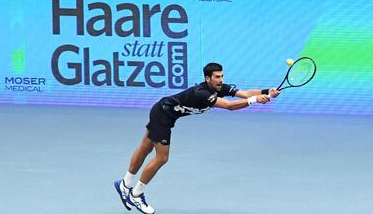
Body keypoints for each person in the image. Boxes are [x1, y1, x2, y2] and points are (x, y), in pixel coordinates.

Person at [114, 62, 278, 214]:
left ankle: (125, 184)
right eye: (217, 77)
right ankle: (136, 194)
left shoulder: (219, 87)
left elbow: (246, 93)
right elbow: (229, 106)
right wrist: (255, 100)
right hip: (163, 114)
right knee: (162, 158)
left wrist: (266, 92)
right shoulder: (202, 93)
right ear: (208, 78)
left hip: (163, 110)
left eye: (221, 76)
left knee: (146, 147)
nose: (220, 80)